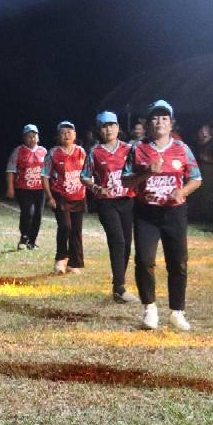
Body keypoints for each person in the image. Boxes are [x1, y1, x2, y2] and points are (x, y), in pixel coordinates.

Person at [123, 99, 202, 331]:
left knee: (178, 262)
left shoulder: (182, 148)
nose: (160, 122)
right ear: (148, 124)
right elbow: (125, 181)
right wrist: (147, 173)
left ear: (171, 123)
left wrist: (182, 192)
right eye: (155, 118)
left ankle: (177, 312)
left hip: (174, 213)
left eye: (164, 118)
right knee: (144, 260)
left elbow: (196, 178)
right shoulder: (137, 149)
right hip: (146, 213)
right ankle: (149, 308)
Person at [81, 112, 139, 303]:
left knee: (127, 244)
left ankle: (119, 283)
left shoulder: (129, 149)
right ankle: (119, 288)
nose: (109, 129)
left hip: (127, 200)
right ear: (99, 130)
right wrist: (96, 188)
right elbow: (84, 176)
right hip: (106, 203)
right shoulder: (95, 152)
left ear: (118, 127)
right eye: (104, 126)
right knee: (118, 241)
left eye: (112, 125)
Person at [44, 121, 87, 275]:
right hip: (60, 196)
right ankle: (60, 258)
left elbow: (88, 172)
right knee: (65, 226)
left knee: (76, 230)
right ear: (58, 136)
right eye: (63, 132)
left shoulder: (81, 151)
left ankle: (74, 263)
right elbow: (44, 176)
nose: (66, 135)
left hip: (79, 196)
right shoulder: (53, 153)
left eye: (69, 132)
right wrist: (49, 197)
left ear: (75, 135)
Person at [5, 124, 47, 250]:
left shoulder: (44, 151)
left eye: (34, 136)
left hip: (40, 189)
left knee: (38, 214)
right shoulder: (18, 151)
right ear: (24, 138)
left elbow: (48, 171)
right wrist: (10, 188)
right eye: (29, 136)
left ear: (38, 137)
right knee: (28, 212)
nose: (32, 139)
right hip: (23, 188)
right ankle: (24, 237)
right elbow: (10, 170)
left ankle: (32, 241)